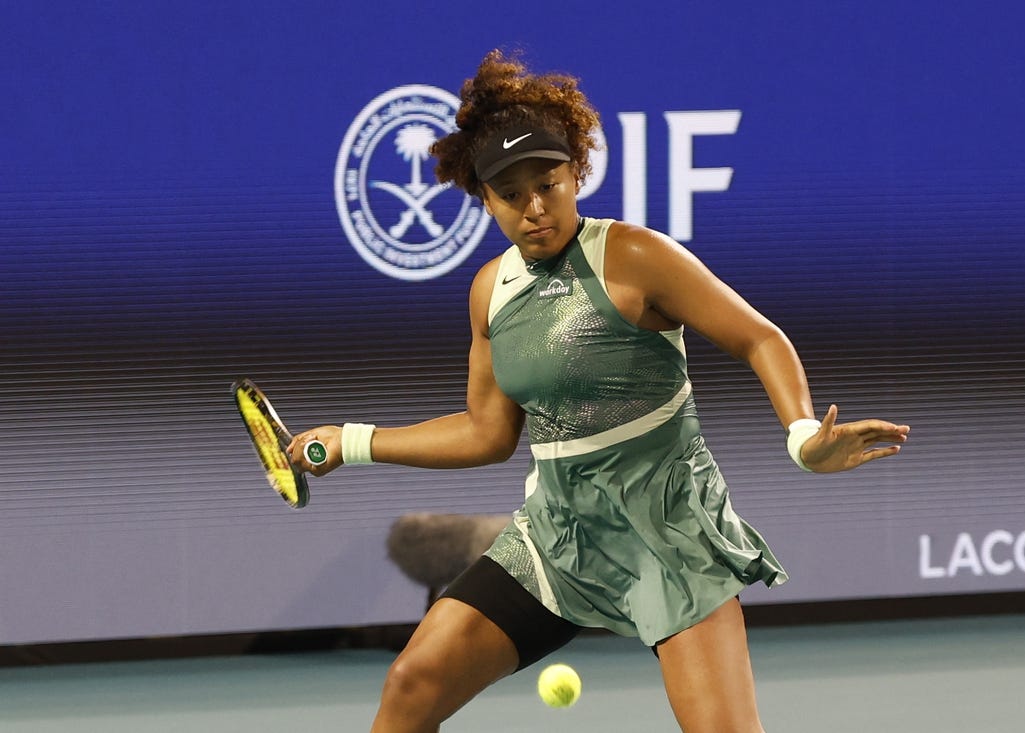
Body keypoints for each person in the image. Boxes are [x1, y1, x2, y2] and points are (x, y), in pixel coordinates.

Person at [286, 49, 910, 733]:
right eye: (510, 193)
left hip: (669, 537)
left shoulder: (635, 257)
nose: (533, 208)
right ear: (483, 198)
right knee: (411, 685)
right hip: (559, 538)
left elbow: (758, 337)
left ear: (575, 173)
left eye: (547, 184)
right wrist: (348, 441)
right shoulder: (490, 290)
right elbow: (487, 431)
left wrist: (800, 436)